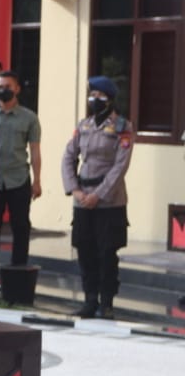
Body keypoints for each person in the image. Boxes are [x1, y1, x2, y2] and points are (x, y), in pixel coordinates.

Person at [60, 75, 134, 319]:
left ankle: (107, 303)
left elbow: (120, 167)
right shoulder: (84, 126)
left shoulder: (123, 127)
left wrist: (98, 195)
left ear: (110, 99)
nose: (94, 99)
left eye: (99, 96)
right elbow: (68, 158)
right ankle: (89, 300)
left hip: (109, 202)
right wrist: (76, 190)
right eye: (92, 95)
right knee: (85, 250)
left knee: (107, 253)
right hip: (82, 199)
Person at [0, 70, 42, 284]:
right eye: (0, 86)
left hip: (18, 178)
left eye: (8, 86)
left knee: (21, 226)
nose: (4, 90)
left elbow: (35, 151)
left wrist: (37, 180)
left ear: (17, 89)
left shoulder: (29, 118)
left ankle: (18, 272)